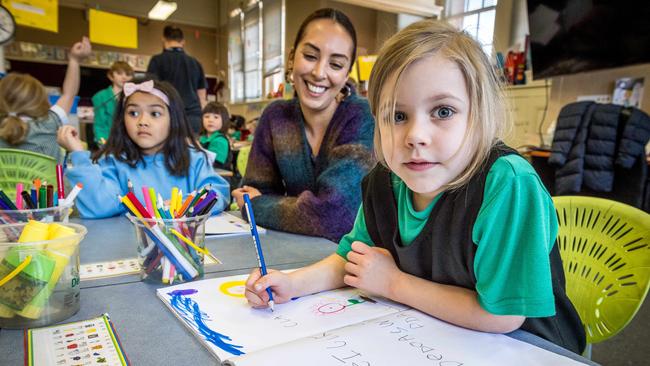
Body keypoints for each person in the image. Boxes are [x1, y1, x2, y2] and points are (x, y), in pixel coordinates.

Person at [244, 20, 586, 354]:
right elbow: (352, 258)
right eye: (397, 116)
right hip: (435, 339)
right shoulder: (383, 181)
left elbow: (502, 314)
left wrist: (393, 283)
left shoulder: (505, 183)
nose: (415, 137)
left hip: (531, 350)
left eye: (443, 111)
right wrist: (293, 283)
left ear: (479, 116)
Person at [231, 8, 375, 242]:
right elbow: (251, 192)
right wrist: (261, 203)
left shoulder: (362, 117)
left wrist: (257, 206)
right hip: (291, 251)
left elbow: (335, 216)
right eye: (310, 56)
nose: (319, 73)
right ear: (291, 58)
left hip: (352, 262)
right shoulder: (275, 117)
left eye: (336, 65)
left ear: (347, 73)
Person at [57, 79, 230, 219]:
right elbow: (98, 206)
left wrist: (183, 206)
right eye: (133, 113)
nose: (142, 121)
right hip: (134, 251)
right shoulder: (115, 162)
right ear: (121, 120)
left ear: (173, 119)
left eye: (155, 113)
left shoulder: (193, 159)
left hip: (186, 248)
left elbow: (217, 192)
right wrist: (78, 154)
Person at [0, 37, 91, 162]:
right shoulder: (49, 123)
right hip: (47, 182)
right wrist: (74, 60)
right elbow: (69, 94)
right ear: (39, 101)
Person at [147, 25, 207, 134]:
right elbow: (202, 95)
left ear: (163, 39)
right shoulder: (195, 62)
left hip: (167, 115)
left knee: (166, 150)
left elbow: (152, 89)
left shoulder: (157, 61)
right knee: (190, 149)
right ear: (183, 42)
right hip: (193, 117)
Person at [92, 61, 134, 146]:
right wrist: (104, 145)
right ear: (111, 76)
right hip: (107, 143)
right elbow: (99, 126)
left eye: (128, 74)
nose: (124, 77)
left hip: (130, 144)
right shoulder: (100, 97)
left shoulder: (134, 97)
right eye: (119, 73)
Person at [199, 102, 232, 170]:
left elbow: (215, 164)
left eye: (216, 117)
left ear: (224, 120)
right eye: (207, 116)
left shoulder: (220, 140)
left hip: (218, 177)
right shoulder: (202, 138)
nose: (210, 120)